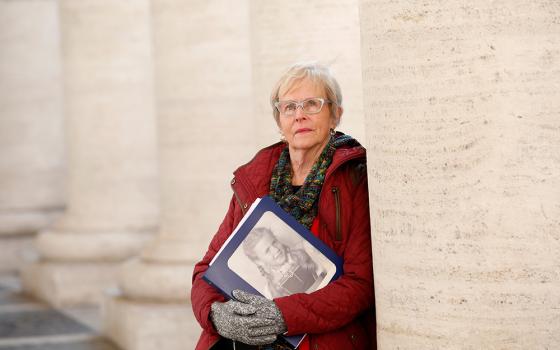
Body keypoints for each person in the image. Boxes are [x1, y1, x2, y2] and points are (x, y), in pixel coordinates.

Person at [191, 62, 375, 350]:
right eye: (289, 107)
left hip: (319, 339)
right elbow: (206, 270)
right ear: (279, 121)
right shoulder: (253, 180)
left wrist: (282, 316)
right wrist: (216, 315)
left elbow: (361, 284)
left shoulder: (354, 178)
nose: (299, 115)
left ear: (335, 114)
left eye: (312, 104)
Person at [242, 227, 327, 298]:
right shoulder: (270, 291)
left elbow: (329, 270)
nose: (276, 250)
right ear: (259, 261)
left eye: (274, 242)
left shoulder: (307, 250)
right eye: (267, 250)